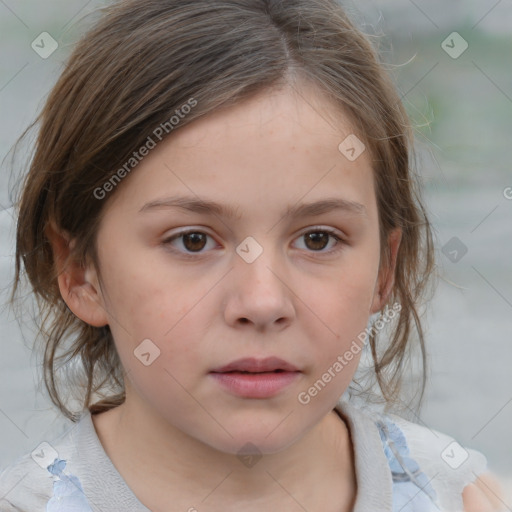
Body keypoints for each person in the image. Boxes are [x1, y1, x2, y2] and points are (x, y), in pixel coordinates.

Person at [0, 1, 504, 511]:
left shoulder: (459, 494)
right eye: (192, 240)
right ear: (79, 270)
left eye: (318, 239)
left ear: (383, 270)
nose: (263, 302)